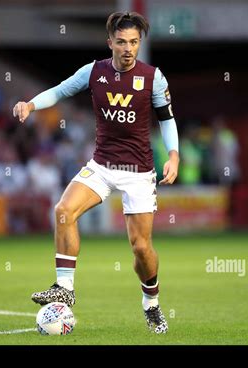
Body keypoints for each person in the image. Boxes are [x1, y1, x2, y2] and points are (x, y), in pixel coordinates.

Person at [13, 11, 179, 334]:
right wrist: (31, 105)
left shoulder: (154, 77)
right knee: (63, 210)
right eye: (122, 42)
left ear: (139, 43)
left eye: (134, 42)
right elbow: (60, 91)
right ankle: (65, 288)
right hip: (101, 166)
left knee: (141, 248)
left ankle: (152, 304)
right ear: (110, 43)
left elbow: (167, 119)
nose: (129, 48)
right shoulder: (94, 72)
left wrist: (173, 155)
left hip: (138, 172)